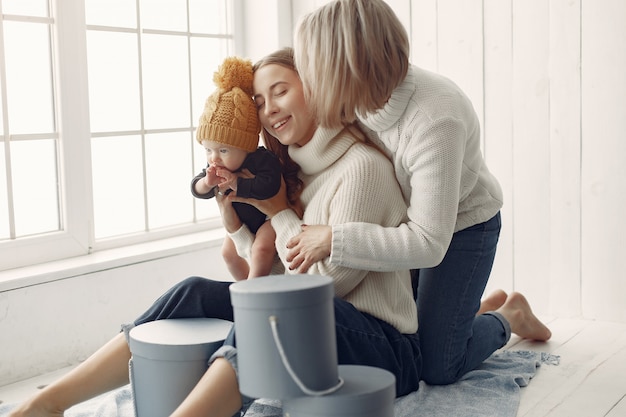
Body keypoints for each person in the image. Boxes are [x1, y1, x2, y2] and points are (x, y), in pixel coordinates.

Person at [7, 47, 422, 417]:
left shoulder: (361, 169)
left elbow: (322, 287)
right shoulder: (296, 172)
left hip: (381, 346)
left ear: (316, 89)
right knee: (194, 292)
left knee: (271, 310)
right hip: (315, 325)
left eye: (280, 91)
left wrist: (278, 213)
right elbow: (266, 269)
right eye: (259, 101)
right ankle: (51, 402)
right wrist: (238, 222)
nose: (269, 109)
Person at [287, 0, 552, 386]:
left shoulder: (434, 119)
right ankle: (470, 312)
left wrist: (335, 238)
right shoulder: (357, 99)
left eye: (311, 70)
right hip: (407, 224)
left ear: (346, 66)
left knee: (437, 366)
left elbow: (428, 243)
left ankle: (509, 316)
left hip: (461, 228)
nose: (308, 83)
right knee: (408, 333)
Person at [191, 56, 284, 280]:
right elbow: (196, 188)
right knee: (228, 254)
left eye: (223, 150)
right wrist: (206, 183)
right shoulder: (216, 166)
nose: (214, 158)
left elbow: (269, 186)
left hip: (266, 219)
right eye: (208, 150)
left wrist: (237, 183)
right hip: (240, 223)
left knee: (261, 249)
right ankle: (243, 290)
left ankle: (255, 290)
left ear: (245, 147)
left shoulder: (262, 160)